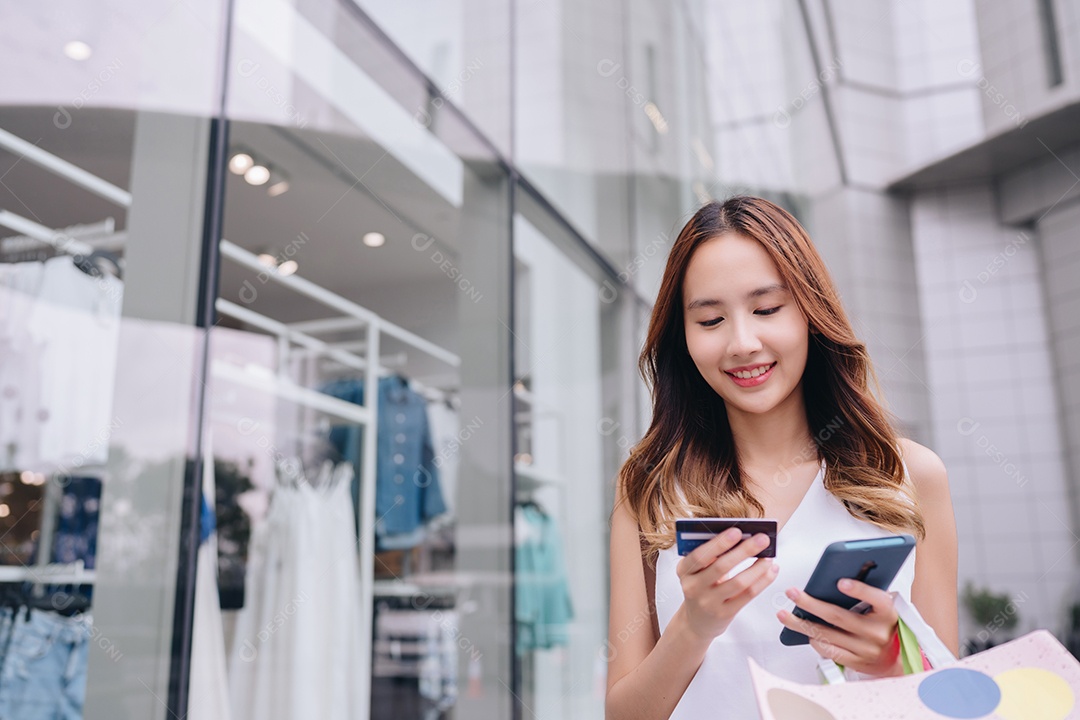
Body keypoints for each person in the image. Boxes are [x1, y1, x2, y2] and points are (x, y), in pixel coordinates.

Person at [605, 197, 958, 719]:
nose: (743, 343)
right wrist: (693, 627)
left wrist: (893, 659)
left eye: (767, 310)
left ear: (812, 312)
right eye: (709, 320)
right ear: (682, 336)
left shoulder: (908, 476)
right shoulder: (650, 488)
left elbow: (951, 702)